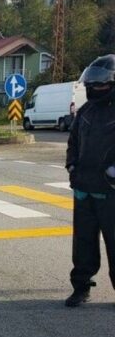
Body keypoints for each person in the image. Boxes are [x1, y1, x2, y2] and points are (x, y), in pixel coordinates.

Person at [64, 54, 115, 307]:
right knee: (82, 243)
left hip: (110, 191)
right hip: (83, 188)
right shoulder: (85, 111)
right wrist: (72, 166)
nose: (95, 87)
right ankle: (81, 287)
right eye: (92, 83)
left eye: (101, 83)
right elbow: (72, 143)